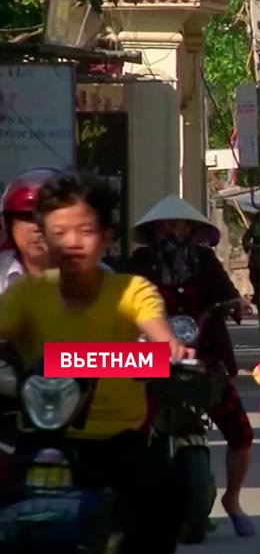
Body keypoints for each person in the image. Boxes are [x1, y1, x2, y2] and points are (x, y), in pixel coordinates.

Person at [0, 173, 189, 554]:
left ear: (107, 237)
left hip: (116, 443)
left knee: (162, 501)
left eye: (84, 230)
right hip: (38, 436)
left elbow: (157, 332)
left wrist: (168, 347)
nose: (71, 242)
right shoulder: (26, 294)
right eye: (59, 231)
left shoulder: (132, 290)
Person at [124, 194, 257, 536]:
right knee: (129, 431)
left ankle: (233, 499)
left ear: (191, 229)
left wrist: (236, 304)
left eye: (178, 224)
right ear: (154, 232)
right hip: (148, 358)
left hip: (204, 355)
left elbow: (228, 293)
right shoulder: (139, 263)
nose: (172, 231)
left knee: (241, 431)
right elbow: (122, 296)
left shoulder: (205, 261)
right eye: (165, 226)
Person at [0, 168, 62, 292]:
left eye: (47, 217)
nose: (37, 228)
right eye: (27, 217)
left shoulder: (94, 274)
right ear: (9, 224)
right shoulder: (2, 270)